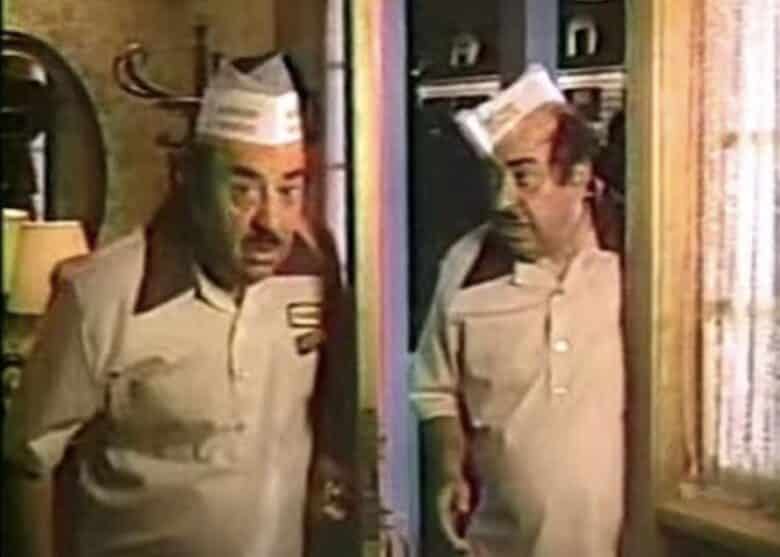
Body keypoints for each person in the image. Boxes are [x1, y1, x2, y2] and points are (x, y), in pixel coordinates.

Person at [3, 53, 354, 557]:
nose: (271, 223)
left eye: (289, 189)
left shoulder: (315, 270)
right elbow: (28, 462)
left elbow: (335, 406)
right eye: (243, 191)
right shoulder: (103, 293)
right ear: (188, 179)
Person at [411, 64, 625, 557]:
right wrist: (449, 466)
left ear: (578, 176)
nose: (502, 200)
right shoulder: (467, 266)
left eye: (523, 177)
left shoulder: (632, 258)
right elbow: (434, 390)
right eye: (494, 178)